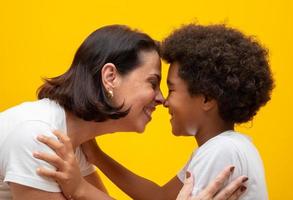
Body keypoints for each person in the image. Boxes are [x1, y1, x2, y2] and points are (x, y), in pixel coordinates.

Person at [0, 24, 245, 200]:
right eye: (153, 82)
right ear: (110, 77)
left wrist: (84, 180)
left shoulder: (76, 145)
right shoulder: (39, 138)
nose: (160, 98)